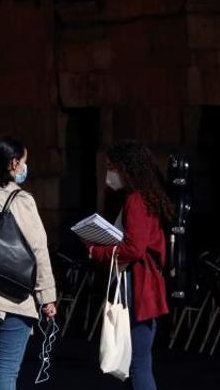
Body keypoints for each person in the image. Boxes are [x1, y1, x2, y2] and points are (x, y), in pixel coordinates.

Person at [0, 137, 57, 390]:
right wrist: (46, 295)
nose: (26, 167)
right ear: (13, 163)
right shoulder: (21, 200)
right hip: (15, 296)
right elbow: (38, 249)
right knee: (6, 370)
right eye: (24, 161)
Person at [87, 141, 169, 390]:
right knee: (136, 362)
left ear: (127, 168)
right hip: (142, 284)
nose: (109, 173)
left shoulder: (135, 200)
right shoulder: (144, 197)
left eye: (112, 167)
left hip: (138, 285)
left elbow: (134, 247)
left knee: (137, 363)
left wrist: (96, 251)